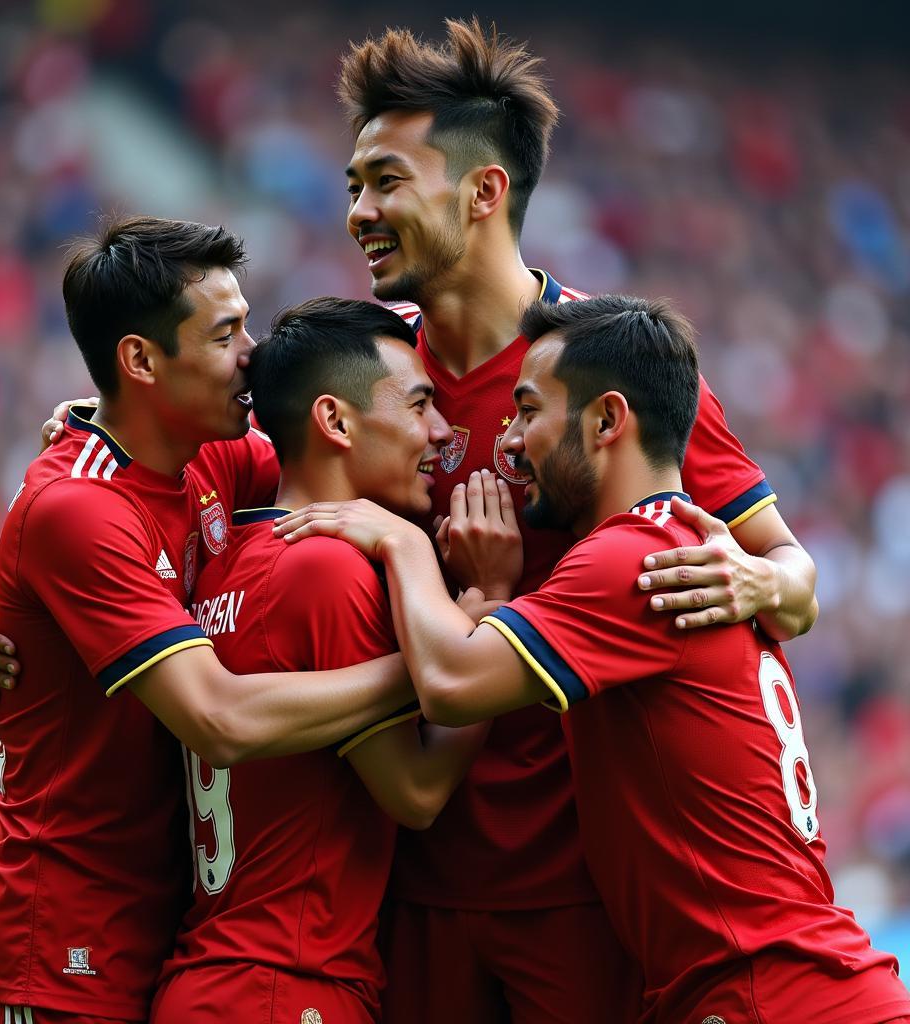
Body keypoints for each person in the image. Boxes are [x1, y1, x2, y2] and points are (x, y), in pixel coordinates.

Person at [335, 19, 819, 1023]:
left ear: (481, 192)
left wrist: (765, 581)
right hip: (406, 889)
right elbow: (198, 489)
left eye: (385, 181)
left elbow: (793, 574)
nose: (360, 211)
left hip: (581, 900)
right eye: (353, 186)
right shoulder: (363, 379)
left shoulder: (603, 375)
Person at [273, 294, 910, 1024]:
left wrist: (404, 544)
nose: (507, 443)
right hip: (789, 982)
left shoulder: (631, 559)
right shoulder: (692, 547)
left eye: (529, 412)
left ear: (608, 421)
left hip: (765, 990)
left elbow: (450, 682)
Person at [0, 218, 415, 1024]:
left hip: (163, 939)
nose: (254, 355)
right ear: (139, 361)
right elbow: (218, 719)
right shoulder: (78, 510)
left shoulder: (210, 458)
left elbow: (358, 437)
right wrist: (448, 672)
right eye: (227, 333)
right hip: (56, 944)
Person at [151, 297, 496, 1024]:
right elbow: (417, 792)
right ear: (335, 422)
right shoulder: (329, 570)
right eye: (420, 404)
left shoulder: (221, 561)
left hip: (212, 975)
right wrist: (487, 619)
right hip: (288, 985)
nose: (440, 433)